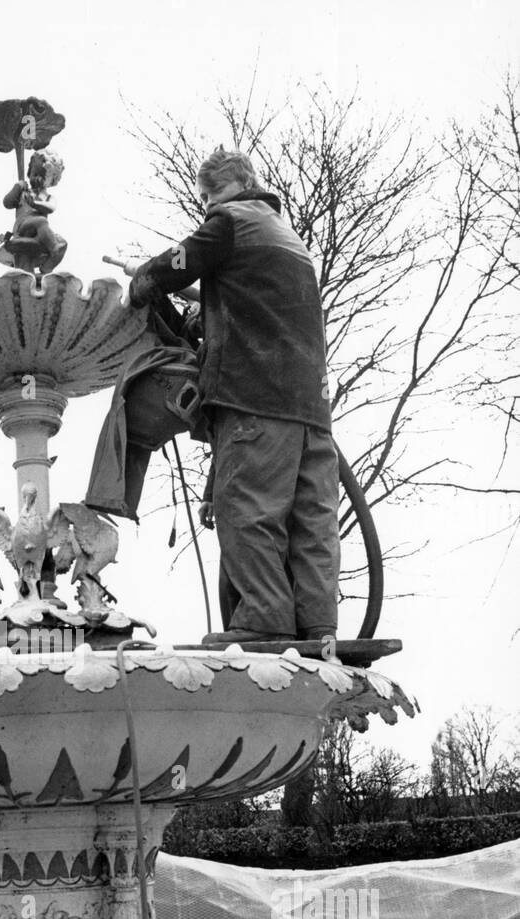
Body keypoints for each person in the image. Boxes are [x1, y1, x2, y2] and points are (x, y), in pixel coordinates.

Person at [127, 147, 340, 644]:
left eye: (211, 193)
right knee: (311, 522)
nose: (206, 206)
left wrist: (142, 284)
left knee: (249, 511)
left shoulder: (230, 222)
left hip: (255, 402)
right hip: (310, 410)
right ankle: (319, 627)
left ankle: (264, 617)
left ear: (237, 185)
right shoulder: (288, 238)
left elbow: (177, 262)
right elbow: (256, 314)